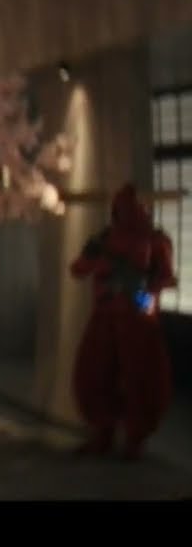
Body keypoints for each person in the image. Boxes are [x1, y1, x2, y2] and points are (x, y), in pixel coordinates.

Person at [69, 183, 178, 460]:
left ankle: (133, 439)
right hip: (106, 315)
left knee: (140, 379)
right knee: (96, 375)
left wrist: (141, 290)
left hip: (137, 319)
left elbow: (166, 278)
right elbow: (79, 269)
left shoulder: (155, 240)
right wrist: (94, 258)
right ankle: (105, 433)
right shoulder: (105, 239)